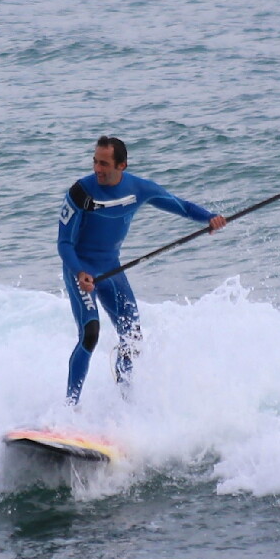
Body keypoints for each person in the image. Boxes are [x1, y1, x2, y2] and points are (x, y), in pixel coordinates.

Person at [57, 135, 226, 405]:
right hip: (81, 270)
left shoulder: (139, 189)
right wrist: (79, 272)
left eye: (104, 163)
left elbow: (180, 205)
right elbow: (64, 244)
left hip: (111, 270)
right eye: (95, 162)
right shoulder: (80, 193)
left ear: (121, 165)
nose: (97, 169)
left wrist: (209, 218)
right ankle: (69, 408)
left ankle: (126, 405)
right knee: (90, 334)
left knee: (133, 337)